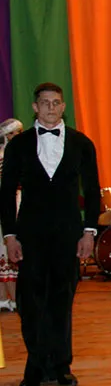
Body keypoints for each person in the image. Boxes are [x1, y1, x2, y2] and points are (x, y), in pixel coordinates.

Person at [0, 83, 101, 386]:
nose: (50, 108)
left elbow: (93, 191)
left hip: (69, 235)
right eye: (44, 103)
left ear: (63, 107)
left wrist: (89, 232)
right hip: (30, 235)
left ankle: (61, 365)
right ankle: (35, 364)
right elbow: (5, 194)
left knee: (62, 298)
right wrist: (10, 236)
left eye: (56, 103)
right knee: (30, 301)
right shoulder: (18, 146)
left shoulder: (82, 143)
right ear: (35, 107)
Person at [0, 118, 25, 311]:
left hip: (20, 200)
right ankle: (2, 297)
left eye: (18, 133)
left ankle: (17, 297)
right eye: (11, 133)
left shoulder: (25, 154)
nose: (15, 136)